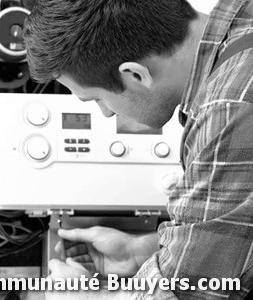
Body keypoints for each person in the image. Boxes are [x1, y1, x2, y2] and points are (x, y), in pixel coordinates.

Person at [23, 0, 253, 298]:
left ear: (135, 74)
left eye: (95, 98)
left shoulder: (230, 109)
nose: (105, 113)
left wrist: (85, 296)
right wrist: (142, 251)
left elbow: (192, 293)